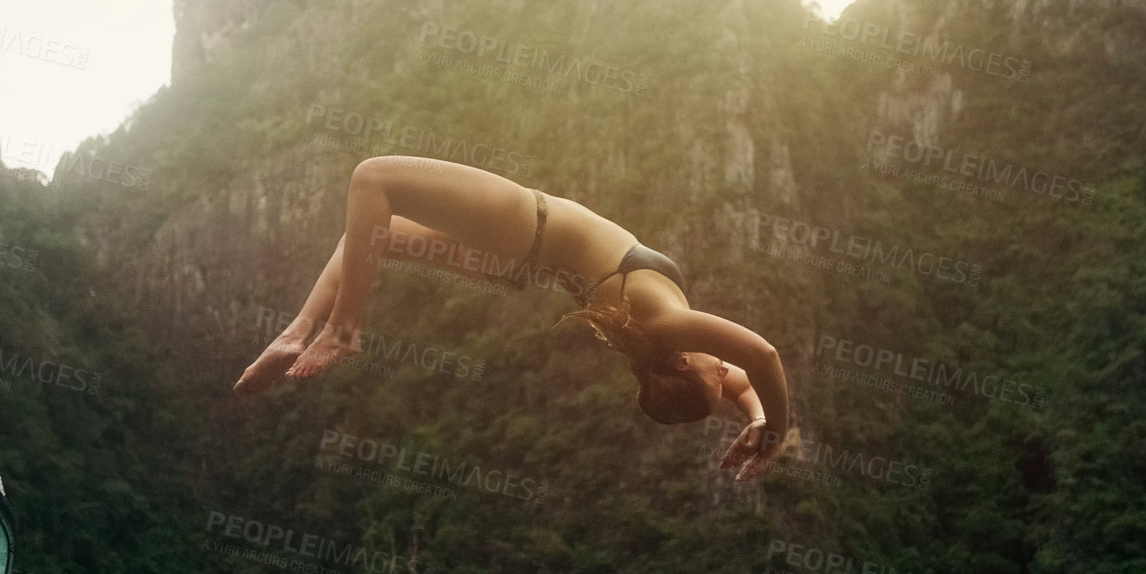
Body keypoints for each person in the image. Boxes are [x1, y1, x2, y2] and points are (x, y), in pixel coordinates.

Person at [235, 156, 789, 481]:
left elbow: (762, 357)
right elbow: (740, 381)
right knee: (368, 235)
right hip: (519, 262)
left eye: (716, 374)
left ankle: (342, 331)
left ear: (688, 364)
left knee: (373, 179)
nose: (726, 370)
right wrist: (759, 419)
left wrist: (778, 431)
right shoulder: (654, 348)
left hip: (528, 226)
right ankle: (294, 332)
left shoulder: (670, 326)